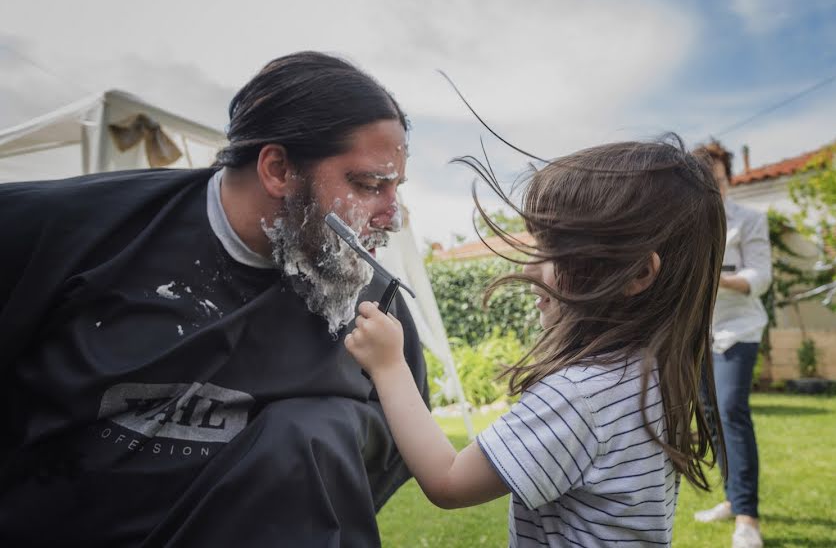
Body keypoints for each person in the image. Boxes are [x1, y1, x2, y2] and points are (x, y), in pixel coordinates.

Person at [0, 51, 428, 547]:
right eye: (370, 184)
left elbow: (398, 441)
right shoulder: (68, 229)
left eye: (395, 187)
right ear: (278, 168)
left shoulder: (371, 305)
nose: (393, 216)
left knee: (315, 428)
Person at [345, 136, 727, 547]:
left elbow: (449, 481)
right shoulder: (649, 376)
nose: (529, 266)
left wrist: (389, 366)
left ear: (637, 273)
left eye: (553, 249)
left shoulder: (582, 396)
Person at [692, 140, 771, 548]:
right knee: (710, 417)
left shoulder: (749, 220)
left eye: (718, 180)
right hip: (701, 334)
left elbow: (760, 278)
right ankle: (731, 497)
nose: (713, 188)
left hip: (740, 330)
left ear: (728, 179)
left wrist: (713, 277)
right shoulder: (688, 226)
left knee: (730, 410)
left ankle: (748, 519)